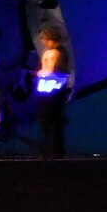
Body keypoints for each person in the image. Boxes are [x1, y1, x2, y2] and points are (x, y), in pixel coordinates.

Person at [36, 26, 70, 157]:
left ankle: (50, 150)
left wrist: (40, 73)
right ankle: (54, 150)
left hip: (50, 90)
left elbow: (49, 71)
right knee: (53, 121)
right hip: (54, 90)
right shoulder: (59, 53)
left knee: (49, 121)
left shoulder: (54, 53)